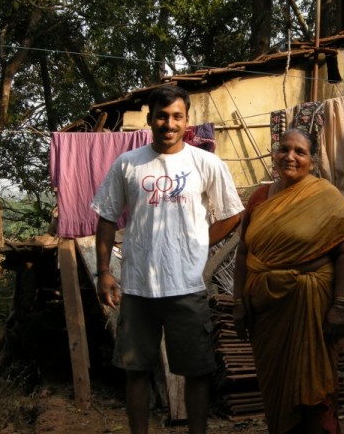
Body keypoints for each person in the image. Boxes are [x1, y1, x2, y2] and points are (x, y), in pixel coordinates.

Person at [91, 84, 243, 434]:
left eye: (177, 116)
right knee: (136, 371)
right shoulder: (127, 163)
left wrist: (198, 243)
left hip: (186, 286)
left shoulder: (205, 163)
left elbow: (232, 214)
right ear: (150, 119)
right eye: (162, 116)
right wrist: (103, 271)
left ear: (187, 120)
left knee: (197, 371)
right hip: (138, 287)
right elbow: (107, 217)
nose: (169, 124)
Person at [232, 128, 344, 434]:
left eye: (300, 152)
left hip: (311, 307)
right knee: (276, 388)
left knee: (312, 394)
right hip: (266, 311)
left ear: (312, 161)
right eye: (284, 149)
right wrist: (238, 302)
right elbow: (243, 252)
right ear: (274, 154)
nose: (290, 156)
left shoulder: (325, 195)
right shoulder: (259, 197)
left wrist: (340, 306)